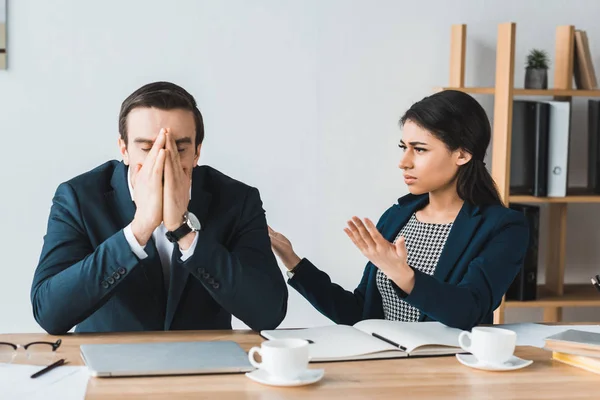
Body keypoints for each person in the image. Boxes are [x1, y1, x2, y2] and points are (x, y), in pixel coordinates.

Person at [31, 81, 288, 334]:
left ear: (197, 152)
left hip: (204, 365)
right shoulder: (78, 197)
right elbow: (50, 313)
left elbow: (268, 312)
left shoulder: (237, 200)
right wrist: (139, 229)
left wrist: (184, 232)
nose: (163, 159)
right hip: (109, 363)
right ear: (124, 149)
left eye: (180, 148)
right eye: (146, 148)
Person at [268, 89, 529, 330]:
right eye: (404, 148)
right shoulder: (397, 217)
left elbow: (469, 311)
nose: (403, 162)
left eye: (420, 149)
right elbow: (360, 314)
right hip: (384, 366)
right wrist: (294, 262)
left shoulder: (503, 227)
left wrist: (403, 275)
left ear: (462, 154)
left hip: (449, 372)